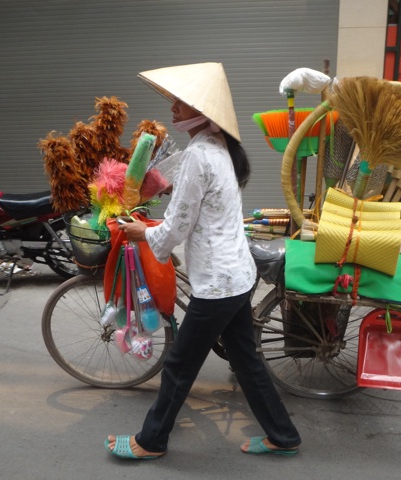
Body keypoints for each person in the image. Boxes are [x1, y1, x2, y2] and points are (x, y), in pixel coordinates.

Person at [104, 62, 301, 459]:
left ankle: (151, 441)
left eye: (182, 102)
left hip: (219, 282)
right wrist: (163, 188)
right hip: (236, 275)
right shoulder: (217, 146)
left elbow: (177, 225)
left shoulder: (200, 153)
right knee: (246, 360)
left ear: (203, 112)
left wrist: (144, 233)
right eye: (174, 101)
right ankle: (283, 436)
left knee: (179, 365)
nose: (173, 108)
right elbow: (192, 198)